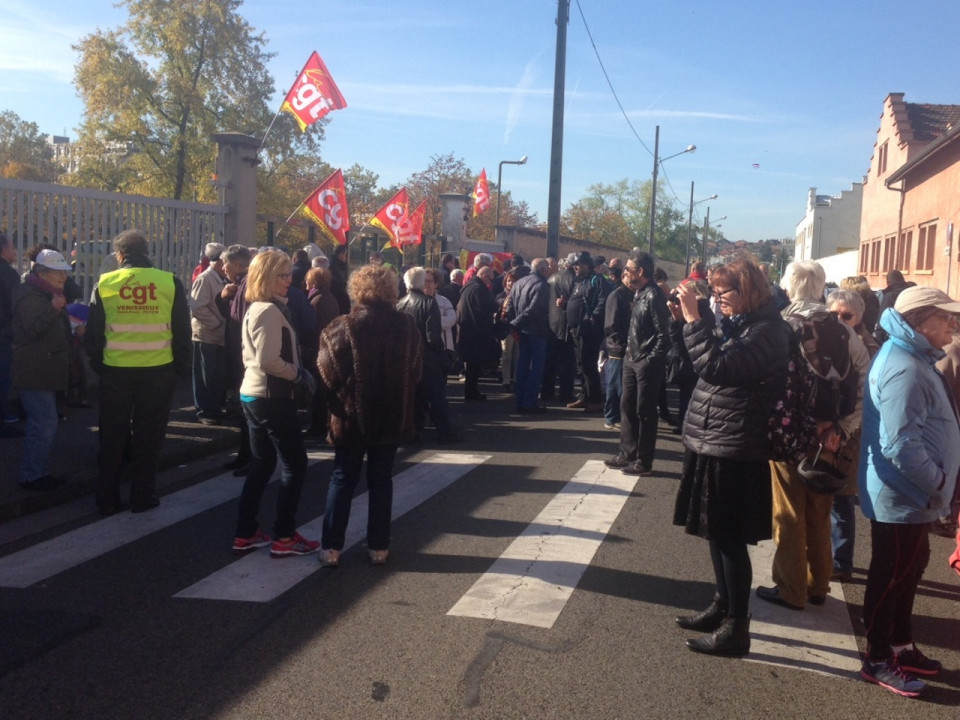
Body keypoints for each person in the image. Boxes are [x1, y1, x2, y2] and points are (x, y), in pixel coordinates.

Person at [672, 257, 792, 657]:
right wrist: (688, 323)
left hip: (738, 444)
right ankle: (722, 605)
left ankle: (737, 628)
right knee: (714, 530)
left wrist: (695, 322)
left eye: (724, 292)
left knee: (730, 539)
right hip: (717, 437)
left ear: (749, 291)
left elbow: (717, 367)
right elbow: (700, 365)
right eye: (715, 291)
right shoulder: (741, 323)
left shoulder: (769, 331)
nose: (717, 299)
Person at [858, 285, 960, 697]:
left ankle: (900, 645)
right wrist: (938, 483)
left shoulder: (915, 357)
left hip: (913, 497)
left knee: (908, 571)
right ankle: (878, 659)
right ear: (921, 321)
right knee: (890, 576)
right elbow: (899, 444)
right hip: (902, 496)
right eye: (945, 315)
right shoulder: (906, 366)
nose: (953, 322)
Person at [756, 261, 869, 612]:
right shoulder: (843, 330)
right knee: (820, 511)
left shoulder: (783, 325)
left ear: (788, 287)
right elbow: (865, 379)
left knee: (789, 513)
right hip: (831, 436)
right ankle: (819, 584)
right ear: (822, 288)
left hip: (790, 434)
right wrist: (841, 427)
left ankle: (791, 589)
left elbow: (769, 383)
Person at [316, 265, 422, 567]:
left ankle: (332, 548)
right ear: (392, 290)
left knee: (342, 478)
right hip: (391, 415)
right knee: (381, 480)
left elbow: (327, 372)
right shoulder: (407, 326)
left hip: (351, 417)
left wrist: (342, 395)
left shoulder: (343, 326)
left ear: (356, 289)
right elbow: (415, 372)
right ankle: (379, 548)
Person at [84, 230, 191, 515]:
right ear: (147, 252)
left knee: (112, 436)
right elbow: (182, 332)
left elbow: (93, 335)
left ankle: (107, 499)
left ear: (119, 256)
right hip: (158, 371)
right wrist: (179, 369)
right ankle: (142, 496)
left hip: (115, 372)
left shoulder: (105, 284)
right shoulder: (169, 282)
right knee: (149, 436)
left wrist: (101, 366)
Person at [232, 249, 319, 558]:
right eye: (283, 275)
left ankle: (246, 531)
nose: (289, 280)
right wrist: (298, 373)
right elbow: (269, 360)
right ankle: (283, 535)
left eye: (288, 274)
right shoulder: (268, 311)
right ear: (267, 278)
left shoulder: (260, 307)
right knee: (295, 464)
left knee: (263, 462)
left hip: (256, 394)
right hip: (271, 396)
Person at [826, 289, 879, 582]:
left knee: (843, 498)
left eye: (846, 315)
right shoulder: (822, 339)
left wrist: (843, 430)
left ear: (858, 318)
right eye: (834, 314)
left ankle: (842, 561)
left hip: (853, 429)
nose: (840, 319)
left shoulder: (868, 348)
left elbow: (864, 398)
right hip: (828, 426)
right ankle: (827, 555)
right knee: (825, 493)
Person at [604, 250, 670, 476]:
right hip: (631, 359)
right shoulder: (639, 293)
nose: (625, 272)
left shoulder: (653, 295)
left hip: (644, 363)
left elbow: (664, 336)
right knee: (627, 406)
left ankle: (644, 461)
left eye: (629, 269)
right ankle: (627, 453)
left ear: (640, 272)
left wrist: (649, 361)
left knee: (645, 411)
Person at [11, 249, 73, 490]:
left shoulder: (45, 293)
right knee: (43, 424)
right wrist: (54, 309)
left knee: (44, 423)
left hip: (42, 369)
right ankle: (32, 475)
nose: (63, 277)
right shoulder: (31, 296)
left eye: (64, 272)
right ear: (43, 272)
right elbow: (31, 329)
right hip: (35, 371)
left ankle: (35, 472)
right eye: (58, 272)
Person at [397, 267, 461, 443]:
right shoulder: (428, 303)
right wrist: (442, 355)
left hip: (409, 356)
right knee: (437, 396)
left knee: (415, 397)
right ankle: (446, 431)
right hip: (428, 357)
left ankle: (414, 430)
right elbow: (432, 335)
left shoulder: (400, 304)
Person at [216, 244, 253, 474]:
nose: (223, 269)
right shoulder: (238, 284)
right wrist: (223, 298)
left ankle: (251, 459)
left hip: (245, 358)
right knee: (244, 413)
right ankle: (244, 455)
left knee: (249, 413)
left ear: (237, 265)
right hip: (239, 355)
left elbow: (242, 320)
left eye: (226, 265)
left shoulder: (248, 284)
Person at [506, 257, 551, 413]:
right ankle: (529, 402)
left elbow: (510, 307)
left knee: (522, 365)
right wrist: (516, 323)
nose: (550, 270)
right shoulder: (542, 285)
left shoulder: (518, 283)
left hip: (522, 330)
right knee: (536, 368)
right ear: (543, 269)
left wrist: (514, 324)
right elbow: (534, 309)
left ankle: (521, 400)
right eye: (548, 268)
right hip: (536, 330)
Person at [189, 242, 227, 425]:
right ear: (219, 261)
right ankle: (204, 411)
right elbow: (197, 306)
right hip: (206, 335)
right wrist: (217, 323)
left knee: (217, 375)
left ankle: (214, 408)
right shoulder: (205, 278)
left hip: (218, 335)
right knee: (205, 375)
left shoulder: (221, 278)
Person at [565, 252, 607, 412]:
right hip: (576, 329)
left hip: (588, 330)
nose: (576, 266)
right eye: (575, 264)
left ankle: (596, 400)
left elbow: (603, 300)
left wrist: (593, 317)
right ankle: (584, 397)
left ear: (588, 265)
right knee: (581, 365)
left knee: (589, 365)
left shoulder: (597, 280)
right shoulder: (579, 282)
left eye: (579, 264)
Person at [303, 266, 341, 439]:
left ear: (313, 282)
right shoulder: (329, 297)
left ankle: (318, 425)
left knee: (318, 391)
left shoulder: (317, 300)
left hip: (320, 350)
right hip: (327, 348)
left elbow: (316, 327)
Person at [602, 257, 639, 430]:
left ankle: (618, 416)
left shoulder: (632, 294)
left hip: (628, 346)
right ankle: (611, 417)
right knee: (614, 385)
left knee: (622, 386)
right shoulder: (617, 295)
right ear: (624, 276)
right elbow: (611, 324)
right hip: (618, 348)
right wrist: (620, 343)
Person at [457, 265, 498, 401]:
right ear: (485, 276)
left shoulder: (468, 286)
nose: (491, 283)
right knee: (474, 366)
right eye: (491, 279)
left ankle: (471, 391)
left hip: (467, 330)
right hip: (476, 332)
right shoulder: (478, 289)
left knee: (471, 366)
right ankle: (471, 393)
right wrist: (496, 305)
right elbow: (484, 308)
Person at [543, 255, 576, 403]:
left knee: (550, 361)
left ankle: (546, 392)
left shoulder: (551, 279)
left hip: (552, 323)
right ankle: (565, 393)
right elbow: (576, 303)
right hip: (568, 326)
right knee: (568, 363)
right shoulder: (575, 280)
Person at [0, 231, 23, 435]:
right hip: (4, 335)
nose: (15, 251)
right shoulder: (8, 274)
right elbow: (16, 307)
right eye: (12, 247)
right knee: (3, 381)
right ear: (3, 250)